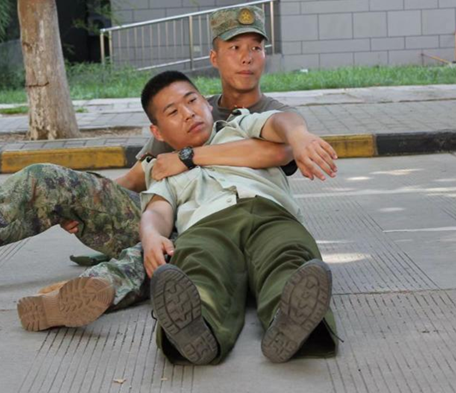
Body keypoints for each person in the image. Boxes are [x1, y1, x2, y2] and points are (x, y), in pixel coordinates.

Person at [0, 6, 337, 326]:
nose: (247, 58)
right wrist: (87, 199)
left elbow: (277, 152)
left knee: (161, 254)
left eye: (255, 48)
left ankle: (84, 294)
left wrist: (190, 157)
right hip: (164, 211)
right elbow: (144, 175)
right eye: (235, 48)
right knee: (46, 180)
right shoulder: (191, 106)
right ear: (215, 57)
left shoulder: (270, 113)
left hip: (217, 226)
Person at [138, 71, 338, 364]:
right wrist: (151, 236)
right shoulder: (163, 168)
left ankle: (291, 322)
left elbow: (280, 121)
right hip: (207, 227)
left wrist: (298, 136)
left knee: (288, 255)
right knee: (198, 265)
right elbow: (156, 210)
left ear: (207, 104)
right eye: (173, 112)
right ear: (157, 132)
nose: (189, 113)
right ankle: (197, 328)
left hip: (271, 215)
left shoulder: (240, 126)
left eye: (192, 101)